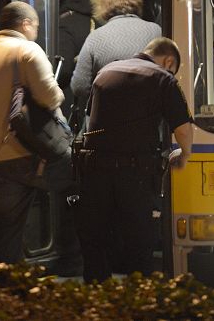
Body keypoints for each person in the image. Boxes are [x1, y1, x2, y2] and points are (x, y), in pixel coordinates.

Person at [0, 1, 74, 263]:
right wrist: (59, 91)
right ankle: (72, 259)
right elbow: (50, 97)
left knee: (6, 226)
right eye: (36, 27)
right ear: (26, 24)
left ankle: (4, 286)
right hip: (29, 154)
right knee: (75, 185)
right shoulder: (27, 50)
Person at [75, 37, 194, 283]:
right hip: (134, 175)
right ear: (169, 61)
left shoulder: (106, 72)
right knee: (139, 243)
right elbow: (183, 130)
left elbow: (91, 119)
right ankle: (138, 300)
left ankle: (97, 298)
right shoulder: (163, 78)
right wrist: (184, 155)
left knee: (95, 240)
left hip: (95, 172)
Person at [70, 0, 161, 115]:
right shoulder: (156, 31)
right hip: (147, 120)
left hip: (106, 121)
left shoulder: (96, 37)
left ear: (102, 4)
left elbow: (79, 87)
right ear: (136, 0)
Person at [56, 0, 94, 116]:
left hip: (69, 101)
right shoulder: (95, 21)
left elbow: (62, 69)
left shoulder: (64, 24)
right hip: (93, 101)